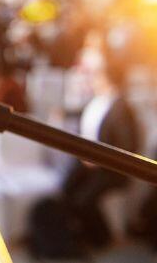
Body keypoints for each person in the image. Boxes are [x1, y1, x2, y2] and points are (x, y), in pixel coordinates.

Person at [61, 59, 142, 249]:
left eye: (97, 77)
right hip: (89, 160)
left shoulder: (121, 108)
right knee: (66, 188)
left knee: (84, 200)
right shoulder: (98, 100)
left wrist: (98, 160)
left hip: (111, 168)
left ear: (108, 79)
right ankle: (77, 232)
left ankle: (100, 239)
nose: (93, 80)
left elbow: (128, 146)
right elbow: (83, 115)